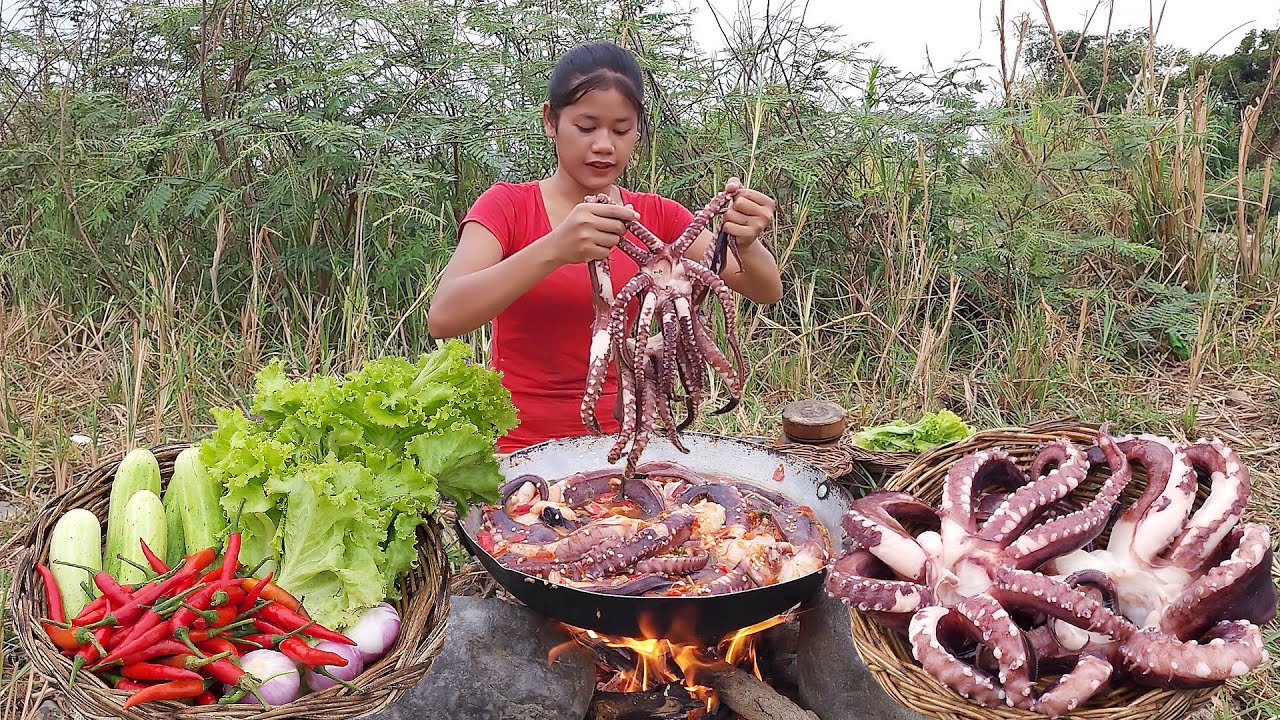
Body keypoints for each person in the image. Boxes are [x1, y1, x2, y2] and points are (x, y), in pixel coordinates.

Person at [427, 41, 784, 453]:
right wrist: (554, 249)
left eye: (621, 129)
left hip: (628, 445)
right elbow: (444, 317)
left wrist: (747, 241)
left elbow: (764, 288)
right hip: (519, 450)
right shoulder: (507, 206)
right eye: (586, 126)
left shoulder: (656, 216)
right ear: (550, 121)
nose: (604, 145)